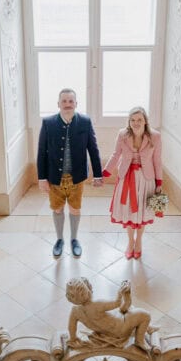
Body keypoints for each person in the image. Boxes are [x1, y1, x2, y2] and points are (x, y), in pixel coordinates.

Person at [37, 88, 103, 258]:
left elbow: (93, 149)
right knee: (57, 209)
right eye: (64, 101)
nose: (67, 104)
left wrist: (98, 174)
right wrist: (42, 178)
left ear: (76, 104)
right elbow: (41, 151)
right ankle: (59, 239)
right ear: (58, 104)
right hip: (54, 178)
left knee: (75, 209)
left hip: (77, 178)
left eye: (70, 101)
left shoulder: (85, 122)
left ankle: (74, 239)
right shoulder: (48, 123)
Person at [103, 106, 162, 260]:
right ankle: (130, 242)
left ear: (145, 121)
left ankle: (139, 242)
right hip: (126, 178)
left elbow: (157, 161)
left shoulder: (155, 136)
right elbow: (116, 155)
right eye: (133, 120)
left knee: (142, 212)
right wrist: (105, 173)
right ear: (129, 121)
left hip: (146, 179)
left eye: (139, 120)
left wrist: (159, 182)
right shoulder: (122, 134)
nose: (136, 123)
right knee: (128, 210)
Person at [65, 277, 154, 350]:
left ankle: (146, 328)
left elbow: (71, 327)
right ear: (87, 291)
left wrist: (73, 338)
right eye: (87, 289)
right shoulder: (97, 304)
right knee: (145, 315)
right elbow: (116, 303)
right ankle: (139, 340)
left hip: (109, 331)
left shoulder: (75, 311)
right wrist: (120, 293)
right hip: (121, 328)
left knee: (128, 309)